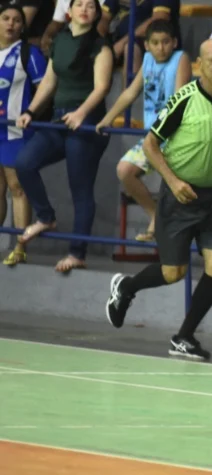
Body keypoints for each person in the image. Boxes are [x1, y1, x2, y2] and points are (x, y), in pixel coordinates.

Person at [104, 39, 212, 361]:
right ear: (200, 65)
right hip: (180, 196)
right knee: (172, 272)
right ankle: (126, 288)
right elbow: (150, 145)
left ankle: (184, 337)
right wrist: (173, 182)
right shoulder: (184, 99)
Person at [14, 0, 112, 274]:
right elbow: (49, 80)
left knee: (80, 189)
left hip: (87, 120)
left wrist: (81, 113)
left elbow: (102, 87)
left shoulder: (100, 45)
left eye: (90, 6)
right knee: (25, 163)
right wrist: (32, 110)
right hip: (59, 117)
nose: (84, 9)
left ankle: (77, 253)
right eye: (78, 4)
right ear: (68, 12)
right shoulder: (61, 39)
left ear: (96, 14)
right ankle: (46, 217)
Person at [96, 18, 190, 243]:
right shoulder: (147, 60)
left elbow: (178, 98)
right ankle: (155, 216)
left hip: (175, 136)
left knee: (175, 189)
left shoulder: (181, 58)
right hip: (153, 137)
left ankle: (172, 233)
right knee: (125, 170)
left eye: (166, 42)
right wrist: (107, 119)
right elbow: (130, 93)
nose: (161, 47)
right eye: (155, 43)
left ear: (174, 42)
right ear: (146, 45)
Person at [0, 4, 45, 267]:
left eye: (17, 20)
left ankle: (20, 246)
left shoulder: (29, 53)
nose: (11, 24)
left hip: (17, 132)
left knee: (17, 188)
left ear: (22, 26)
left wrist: (31, 114)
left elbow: (44, 89)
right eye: (5, 18)